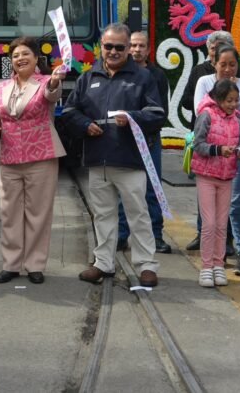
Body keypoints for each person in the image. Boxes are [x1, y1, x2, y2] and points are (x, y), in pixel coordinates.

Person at [62, 23, 166, 287]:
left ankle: (146, 265)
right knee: (103, 215)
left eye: (120, 47)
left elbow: (157, 114)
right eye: (108, 46)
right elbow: (69, 111)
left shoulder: (143, 78)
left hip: (129, 160)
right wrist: (85, 125)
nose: (113, 52)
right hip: (98, 160)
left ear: (128, 48)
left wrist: (131, 118)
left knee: (138, 214)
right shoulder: (88, 77)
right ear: (101, 46)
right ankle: (103, 263)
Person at [0, 37, 68, 284]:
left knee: (38, 213)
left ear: (36, 59)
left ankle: (34, 265)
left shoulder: (45, 82)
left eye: (25, 55)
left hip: (41, 155)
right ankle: (11, 264)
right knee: (9, 212)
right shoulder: (1, 87)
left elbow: (52, 95)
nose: (20, 59)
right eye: (16, 56)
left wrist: (55, 81)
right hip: (9, 157)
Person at [192, 45, 240, 275]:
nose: (233, 105)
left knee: (221, 224)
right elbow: (198, 145)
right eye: (228, 101)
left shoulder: (238, 120)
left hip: (228, 175)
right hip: (207, 175)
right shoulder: (206, 115)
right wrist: (220, 150)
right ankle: (206, 266)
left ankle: (219, 265)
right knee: (209, 224)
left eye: (235, 100)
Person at [118, 30, 172, 254]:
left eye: (141, 46)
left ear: (149, 49)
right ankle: (121, 235)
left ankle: (156, 235)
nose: (136, 50)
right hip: (123, 139)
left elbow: (161, 112)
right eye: (133, 45)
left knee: (152, 189)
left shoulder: (157, 76)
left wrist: (148, 135)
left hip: (149, 140)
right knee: (122, 189)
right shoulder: (121, 73)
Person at [179, 30, 235, 115]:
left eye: (221, 47)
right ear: (208, 50)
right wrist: (204, 99)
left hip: (232, 124)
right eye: (213, 48)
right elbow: (185, 101)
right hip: (204, 123)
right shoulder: (198, 70)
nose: (216, 52)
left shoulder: (235, 71)